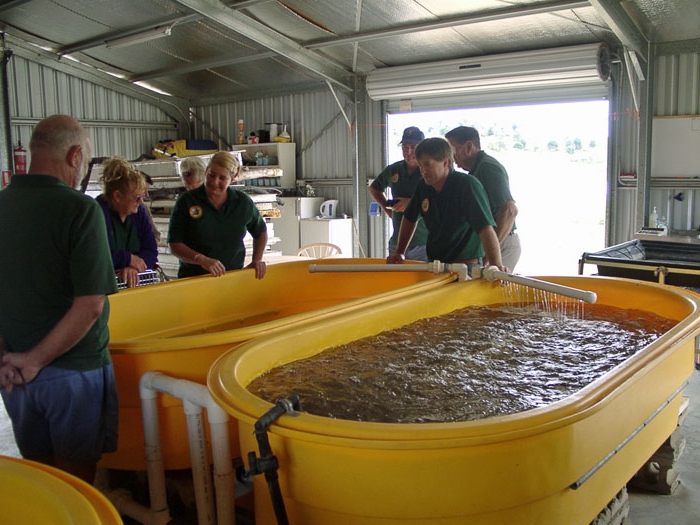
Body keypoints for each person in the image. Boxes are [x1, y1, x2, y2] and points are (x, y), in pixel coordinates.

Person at [0, 114, 119, 484]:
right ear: (74, 156)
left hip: (14, 376)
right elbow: (90, 304)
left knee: (45, 478)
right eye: (83, 163)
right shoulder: (80, 209)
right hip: (73, 371)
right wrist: (36, 361)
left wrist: (6, 357)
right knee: (78, 482)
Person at [387, 137, 506, 275]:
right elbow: (409, 218)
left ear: (446, 163)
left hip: (466, 266)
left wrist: (496, 265)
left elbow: (485, 228)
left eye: (427, 165)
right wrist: (400, 252)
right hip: (435, 265)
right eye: (420, 166)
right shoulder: (423, 186)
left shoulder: (466, 185)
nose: (423, 171)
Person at [168, 151, 268, 279]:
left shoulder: (242, 203)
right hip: (194, 280)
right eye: (211, 175)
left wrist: (257, 260)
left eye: (222, 178)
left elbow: (260, 232)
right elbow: (175, 244)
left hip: (232, 279)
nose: (215, 182)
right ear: (205, 172)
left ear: (231, 179)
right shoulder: (187, 201)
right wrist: (200, 259)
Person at [445, 126, 521, 271]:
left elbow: (510, 210)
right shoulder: (475, 172)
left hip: (502, 241)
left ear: (469, 146)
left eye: (454, 151)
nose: (451, 158)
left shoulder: (488, 167)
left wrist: (490, 254)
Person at [96, 157, 159, 288]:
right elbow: (97, 257)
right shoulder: (97, 213)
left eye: (142, 197)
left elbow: (151, 250)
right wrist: (128, 259)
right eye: (136, 198)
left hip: (137, 283)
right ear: (117, 196)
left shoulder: (140, 211)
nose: (140, 202)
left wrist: (135, 268)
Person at [369, 126, 429, 261]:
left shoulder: (428, 171)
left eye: (413, 147)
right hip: (397, 242)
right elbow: (374, 188)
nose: (408, 152)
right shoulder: (394, 169)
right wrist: (387, 208)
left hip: (423, 242)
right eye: (404, 147)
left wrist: (410, 204)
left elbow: (438, 199)